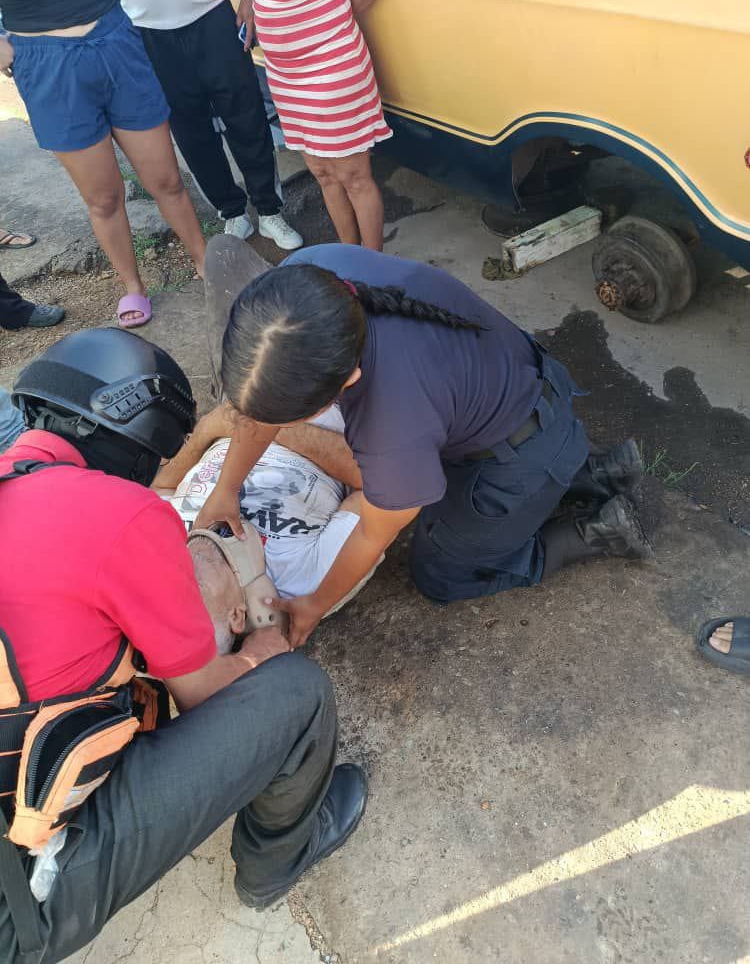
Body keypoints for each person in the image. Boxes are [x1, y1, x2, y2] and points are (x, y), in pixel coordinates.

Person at [0, 327, 367, 963]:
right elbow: (200, 693)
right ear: (142, 448)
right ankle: (276, 865)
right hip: (18, 907)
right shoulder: (121, 511)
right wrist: (256, 654)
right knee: (297, 693)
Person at [195, 240, 652, 648]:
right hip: (522, 383)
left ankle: (592, 532)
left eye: (292, 416)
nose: (268, 422)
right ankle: (595, 472)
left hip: (517, 454)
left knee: (440, 576)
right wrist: (226, 490)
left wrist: (313, 604)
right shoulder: (305, 283)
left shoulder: (390, 418)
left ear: (348, 381)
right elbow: (259, 404)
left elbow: (375, 530)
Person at [0, 0, 207, 328]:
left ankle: (206, 264)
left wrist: (94, 5)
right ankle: (133, 287)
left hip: (114, 42)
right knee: (103, 198)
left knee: (167, 180)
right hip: (45, 64)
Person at [121, 0, 303, 250]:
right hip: (149, 33)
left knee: (246, 116)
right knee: (191, 132)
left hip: (212, 15)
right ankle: (232, 212)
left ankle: (269, 211)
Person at [210, 0, 391, 250]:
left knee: (354, 178)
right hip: (284, 73)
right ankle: (351, 261)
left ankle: (374, 274)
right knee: (324, 174)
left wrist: (326, 26)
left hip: (331, 58)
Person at [155, 400, 378, 630]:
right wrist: (260, 427)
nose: (179, 575)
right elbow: (379, 489)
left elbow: (162, 485)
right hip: (335, 401)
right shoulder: (303, 585)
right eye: (194, 589)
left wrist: (210, 426)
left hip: (243, 399)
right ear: (236, 617)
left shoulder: (162, 542)